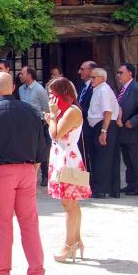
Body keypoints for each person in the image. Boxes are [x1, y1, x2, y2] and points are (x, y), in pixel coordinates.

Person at [0, 73, 48, 275]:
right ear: (13, 87)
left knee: (3, 224)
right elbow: (41, 148)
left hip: (1, 173)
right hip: (27, 170)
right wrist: (32, 171)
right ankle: (37, 272)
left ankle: (2, 270)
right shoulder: (32, 112)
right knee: (30, 223)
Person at [45, 76, 91, 263]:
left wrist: (53, 117)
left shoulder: (72, 111)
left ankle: (69, 244)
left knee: (70, 204)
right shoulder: (65, 110)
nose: (50, 99)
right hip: (62, 157)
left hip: (69, 160)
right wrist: (53, 118)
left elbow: (56, 133)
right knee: (70, 204)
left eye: (52, 94)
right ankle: (76, 240)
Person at [115, 63, 138, 196]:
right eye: (118, 73)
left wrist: (133, 121)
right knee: (128, 160)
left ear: (130, 73)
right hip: (124, 132)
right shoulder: (124, 89)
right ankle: (131, 184)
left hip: (134, 132)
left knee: (137, 160)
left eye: (121, 72)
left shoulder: (136, 88)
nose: (118, 75)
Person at [87, 68, 120, 198]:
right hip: (98, 125)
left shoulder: (104, 90)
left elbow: (108, 111)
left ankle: (101, 189)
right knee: (100, 157)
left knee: (102, 159)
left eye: (94, 77)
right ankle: (109, 188)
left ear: (102, 78)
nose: (91, 80)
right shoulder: (98, 90)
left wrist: (103, 131)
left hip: (104, 125)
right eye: (91, 77)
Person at [19, 66, 51, 186]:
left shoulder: (39, 89)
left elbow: (46, 108)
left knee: (41, 150)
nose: (20, 76)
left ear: (29, 75)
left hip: (39, 123)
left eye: (22, 74)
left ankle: (45, 175)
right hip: (25, 124)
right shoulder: (21, 89)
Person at [76, 61, 97, 178]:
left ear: (91, 70)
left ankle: (92, 179)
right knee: (82, 153)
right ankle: (85, 178)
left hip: (90, 126)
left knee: (90, 154)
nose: (79, 72)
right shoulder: (82, 85)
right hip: (80, 125)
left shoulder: (95, 87)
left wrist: (79, 109)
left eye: (82, 69)